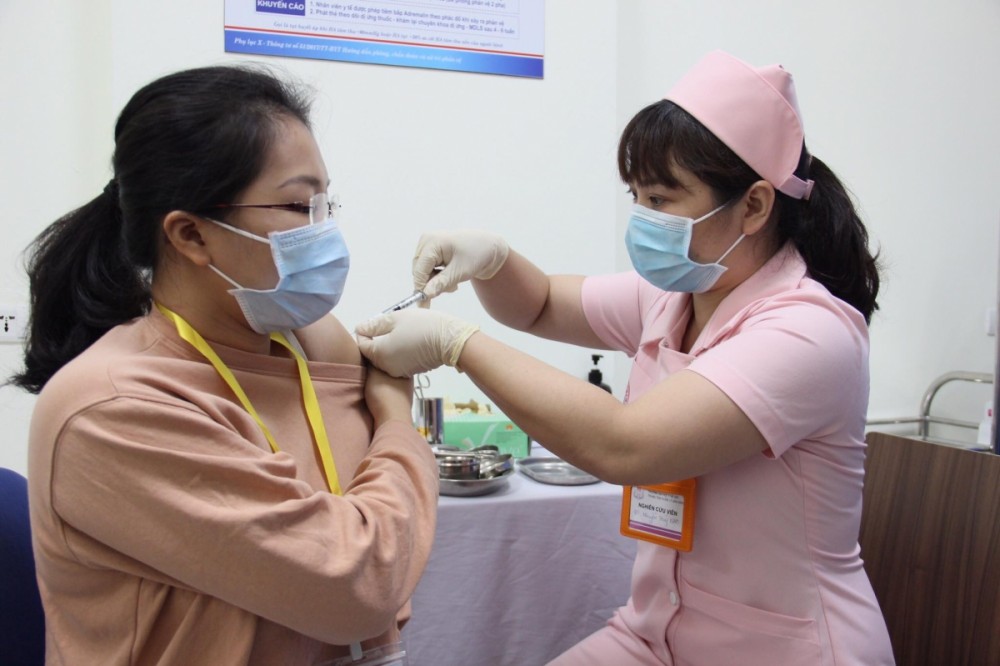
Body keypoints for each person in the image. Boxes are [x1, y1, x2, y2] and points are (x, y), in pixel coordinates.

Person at [355, 50, 894, 665]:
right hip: (656, 637)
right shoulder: (677, 296)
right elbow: (540, 305)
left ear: (754, 205)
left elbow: (626, 445)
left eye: (663, 199)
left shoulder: (808, 331)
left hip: (784, 649)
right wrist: (494, 260)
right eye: (637, 195)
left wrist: (457, 345)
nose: (643, 218)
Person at [12, 64, 439, 665]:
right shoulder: (112, 407)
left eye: (325, 203)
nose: (326, 232)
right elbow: (360, 584)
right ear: (191, 235)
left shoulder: (310, 344)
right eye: (297, 205)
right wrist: (396, 415)